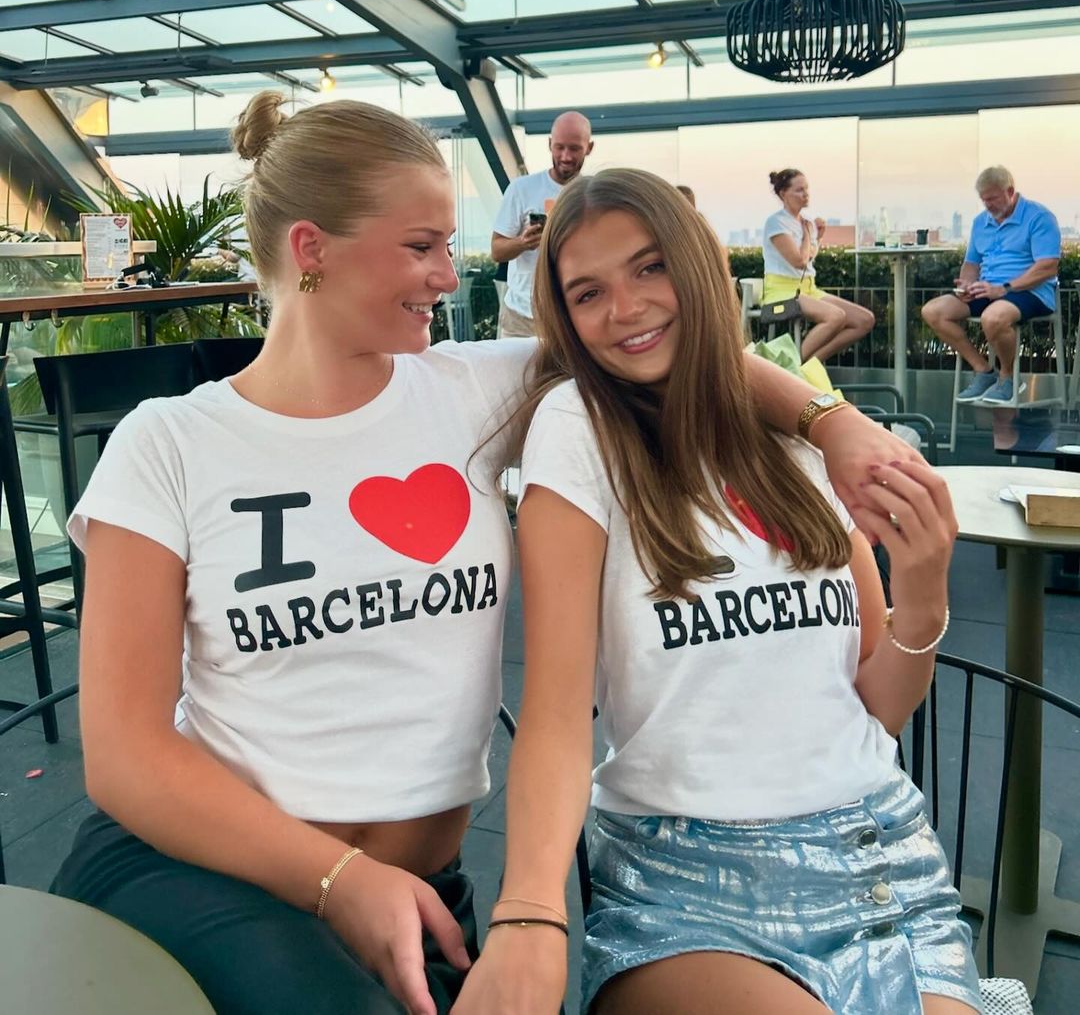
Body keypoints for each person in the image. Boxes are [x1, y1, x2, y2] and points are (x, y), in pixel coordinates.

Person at [49, 95, 933, 1015]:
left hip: (419, 897)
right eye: (421, 245)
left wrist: (833, 423)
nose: (450, 271)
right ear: (312, 249)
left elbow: (668, 342)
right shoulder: (169, 442)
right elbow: (125, 755)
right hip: (210, 874)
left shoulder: (472, 388)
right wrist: (341, 879)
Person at [452, 169, 981, 1015]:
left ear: (695, 264)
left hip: (882, 855)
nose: (625, 307)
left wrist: (921, 593)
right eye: (588, 292)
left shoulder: (799, 443)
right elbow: (555, 713)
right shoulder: (580, 429)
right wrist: (529, 910)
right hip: (687, 877)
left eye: (650, 266)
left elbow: (876, 705)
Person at [922, 166, 1060, 405]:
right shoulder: (980, 222)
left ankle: (1008, 377)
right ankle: (984, 371)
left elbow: (1047, 267)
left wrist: (1005, 288)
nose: (988, 205)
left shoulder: (1039, 217)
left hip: (1030, 291)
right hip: (988, 289)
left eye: (993, 198)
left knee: (993, 318)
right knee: (933, 311)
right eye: (984, 200)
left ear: (1010, 191)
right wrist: (967, 284)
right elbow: (971, 264)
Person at [491, 111, 594, 338]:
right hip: (521, 317)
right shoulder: (521, 189)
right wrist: (523, 243)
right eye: (559, 147)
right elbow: (497, 251)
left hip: (572, 317)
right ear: (549, 144)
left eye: (574, 148)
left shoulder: (595, 194)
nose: (566, 156)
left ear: (589, 148)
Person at [763, 167, 874, 363]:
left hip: (808, 289)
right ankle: (791, 366)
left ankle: (809, 364)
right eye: (799, 190)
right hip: (782, 292)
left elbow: (810, 255)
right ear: (783, 194)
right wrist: (808, 235)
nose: (805, 194)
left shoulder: (807, 222)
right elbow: (799, 261)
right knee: (835, 317)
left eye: (806, 189)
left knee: (864, 320)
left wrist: (818, 237)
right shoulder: (776, 223)